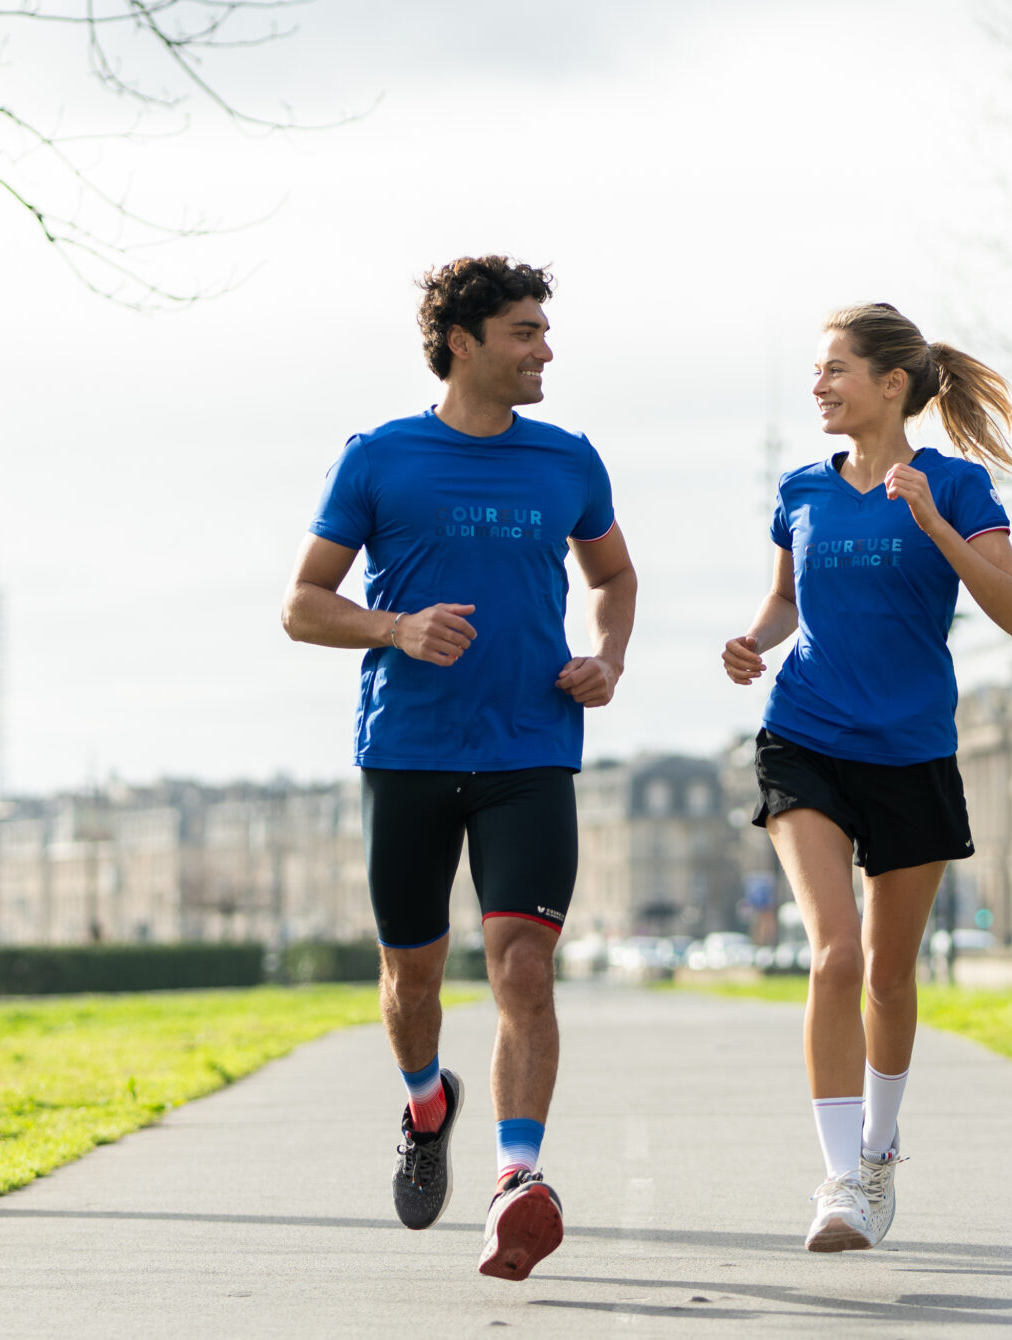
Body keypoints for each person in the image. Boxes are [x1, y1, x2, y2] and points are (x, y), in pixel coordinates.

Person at [282, 256, 636, 1281]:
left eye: (544, 330)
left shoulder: (568, 460)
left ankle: (515, 1178)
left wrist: (606, 656)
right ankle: (425, 1101)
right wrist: (393, 623)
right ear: (464, 341)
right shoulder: (380, 459)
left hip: (531, 749)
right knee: (414, 975)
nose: (545, 350)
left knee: (523, 964)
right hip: (408, 751)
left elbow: (612, 574)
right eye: (525, 331)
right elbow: (303, 602)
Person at [721, 302, 1012, 1252]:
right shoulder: (801, 490)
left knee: (890, 980)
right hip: (806, 735)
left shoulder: (959, 487)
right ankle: (839, 1182)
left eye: (834, 369)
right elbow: (785, 599)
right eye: (817, 371)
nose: (818, 385)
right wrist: (755, 642)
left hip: (910, 751)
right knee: (837, 955)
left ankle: (881, 1150)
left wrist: (935, 522)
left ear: (891, 384)